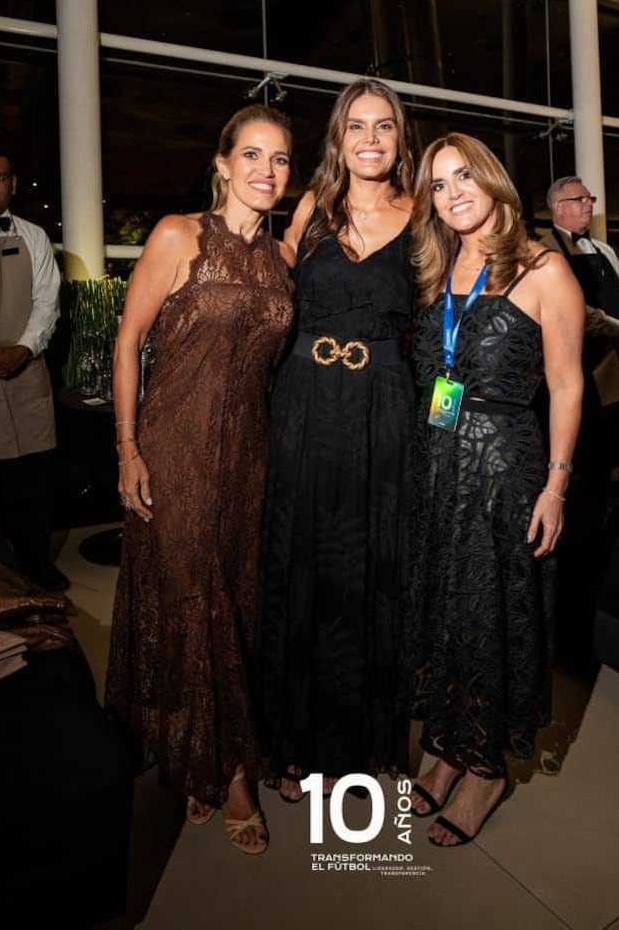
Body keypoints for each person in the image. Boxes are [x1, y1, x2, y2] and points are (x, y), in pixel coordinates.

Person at [105, 105, 294, 856]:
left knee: (234, 599)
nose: (265, 171)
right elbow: (128, 341)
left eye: (280, 159)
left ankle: (200, 752)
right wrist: (127, 447)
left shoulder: (283, 258)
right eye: (251, 155)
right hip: (174, 446)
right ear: (222, 164)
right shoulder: (178, 235)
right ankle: (228, 770)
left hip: (249, 454)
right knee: (193, 598)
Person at [407, 134, 584, 847]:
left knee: (491, 614)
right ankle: (448, 746)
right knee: (448, 607)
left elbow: (567, 385)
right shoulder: (438, 266)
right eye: (438, 184)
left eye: (463, 177)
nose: (453, 194)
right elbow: (436, 378)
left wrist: (556, 487)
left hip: (505, 468)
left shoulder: (544, 267)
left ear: (492, 181)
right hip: (440, 463)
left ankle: (486, 767)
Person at [258, 78, 416, 802]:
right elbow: (268, 293)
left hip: (384, 408)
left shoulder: (426, 218)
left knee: (364, 571)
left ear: (400, 139)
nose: (371, 139)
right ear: (338, 138)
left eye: (384, 126)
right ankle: (294, 737)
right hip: (305, 402)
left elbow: (450, 321)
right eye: (357, 126)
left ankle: (350, 746)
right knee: (305, 565)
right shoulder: (311, 209)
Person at [0, 145, 67, 591]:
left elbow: (48, 301)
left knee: (33, 481)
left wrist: (23, 349)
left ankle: (36, 565)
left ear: (13, 184)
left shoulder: (34, 235)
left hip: (28, 374)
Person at [538, 175, 619, 480]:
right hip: (577, 356)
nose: (588, 204)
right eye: (580, 199)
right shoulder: (545, 252)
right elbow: (570, 307)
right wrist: (617, 330)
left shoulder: (604, 249)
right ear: (559, 207)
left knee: (616, 424)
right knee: (582, 431)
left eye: (589, 199)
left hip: (615, 354)